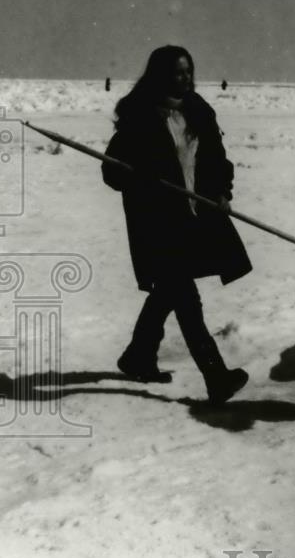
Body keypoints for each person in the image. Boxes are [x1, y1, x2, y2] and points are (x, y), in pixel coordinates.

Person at [102, 45, 252, 404]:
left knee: (169, 290)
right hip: (157, 222)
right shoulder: (140, 116)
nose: (185, 78)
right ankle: (217, 377)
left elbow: (216, 159)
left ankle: (138, 356)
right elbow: (112, 171)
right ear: (160, 75)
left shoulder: (198, 110)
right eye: (177, 72)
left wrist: (221, 192)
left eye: (189, 71)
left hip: (193, 217)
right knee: (185, 297)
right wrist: (140, 177)